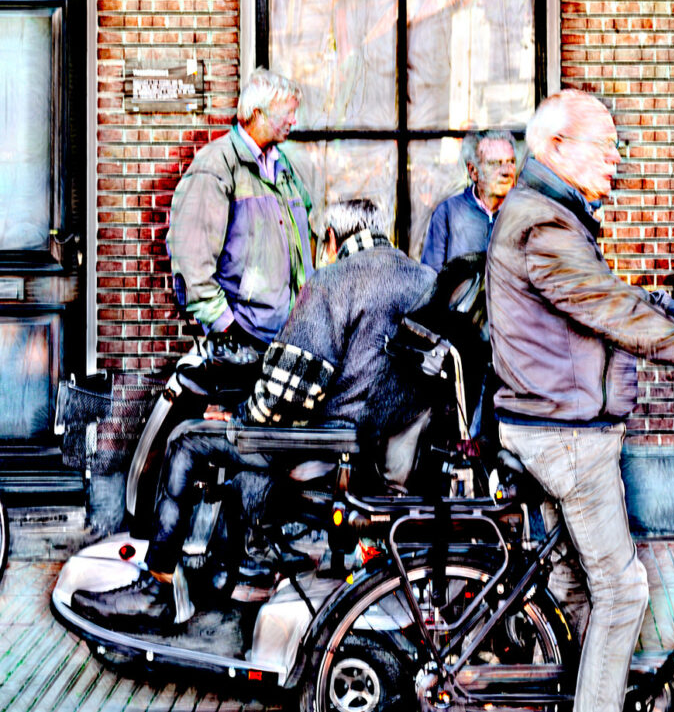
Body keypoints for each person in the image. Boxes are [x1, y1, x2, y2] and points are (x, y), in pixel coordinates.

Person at [487, 88, 674, 712]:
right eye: (604, 147)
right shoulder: (544, 223)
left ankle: (592, 689)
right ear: (556, 146)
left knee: (579, 586)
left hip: (554, 422)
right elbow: (612, 310)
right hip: (566, 435)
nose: (616, 159)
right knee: (623, 592)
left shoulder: (550, 211)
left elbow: (601, 292)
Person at [73, 199, 437, 629]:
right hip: (380, 451)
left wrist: (238, 418)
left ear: (331, 240)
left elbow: (286, 394)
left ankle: (157, 588)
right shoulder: (424, 280)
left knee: (187, 440)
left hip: (332, 446)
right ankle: (238, 565)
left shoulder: (334, 281)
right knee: (244, 452)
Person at [166, 67, 314, 359]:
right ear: (258, 114)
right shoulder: (217, 165)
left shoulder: (283, 166)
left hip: (291, 336)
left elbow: (309, 234)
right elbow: (191, 258)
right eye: (287, 113)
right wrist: (227, 328)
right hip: (246, 339)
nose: (294, 121)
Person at [421, 129, 518, 272]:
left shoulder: (526, 214)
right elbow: (431, 276)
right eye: (495, 164)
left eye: (511, 162)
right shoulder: (448, 213)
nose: (506, 172)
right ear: (473, 171)